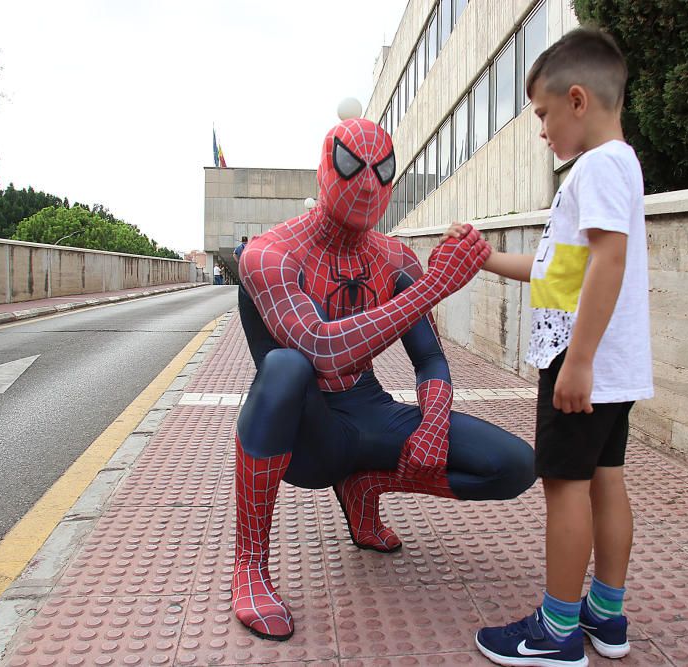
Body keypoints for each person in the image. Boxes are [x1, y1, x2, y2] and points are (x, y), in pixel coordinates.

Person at [233, 115, 536, 641]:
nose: (368, 182)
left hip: (371, 411)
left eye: (383, 168)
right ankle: (250, 567)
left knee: (513, 466)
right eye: (352, 165)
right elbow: (319, 349)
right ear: (324, 170)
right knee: (284, 368)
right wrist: (432, 288)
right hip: (308, 431)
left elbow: (430, 359)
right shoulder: (269, 253)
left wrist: (434, 424)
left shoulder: (394, 258)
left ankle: (367, 483)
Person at [459, 27, 653, 666]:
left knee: (565, 486)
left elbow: (608, 261)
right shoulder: (618, 166)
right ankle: (606, 614)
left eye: (542, 114)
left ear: (578, 100)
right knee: (605, 480)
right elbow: (560, 272)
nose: (541, 130)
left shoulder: (596, 166)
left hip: (584, 365)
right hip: (611, 368)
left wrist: (579, 360)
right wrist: (486, 259)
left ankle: (558, 630)